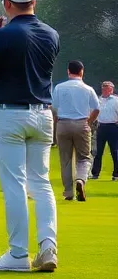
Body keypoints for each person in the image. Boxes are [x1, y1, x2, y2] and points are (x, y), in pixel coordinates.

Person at [0, 0, 60, 272]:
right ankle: (48, 247)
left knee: (15, 185)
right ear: (33, 1)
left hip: (10, 115)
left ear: (7, 4)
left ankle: (18, 255)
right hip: (43, 115)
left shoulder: (2, 35)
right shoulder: (52, 34)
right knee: (42, 184)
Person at [51, 61, 99, 202]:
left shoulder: (60, 88)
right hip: (81, 123)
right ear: (82, 71)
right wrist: (89, 122)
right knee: (84, 157)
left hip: (63, 124)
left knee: (65, 160)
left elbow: (53, 107)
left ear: (68, 71)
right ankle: (80, 180)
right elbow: (96, 108)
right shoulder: (87, 88)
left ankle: (68, 192)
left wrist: (56, 121)